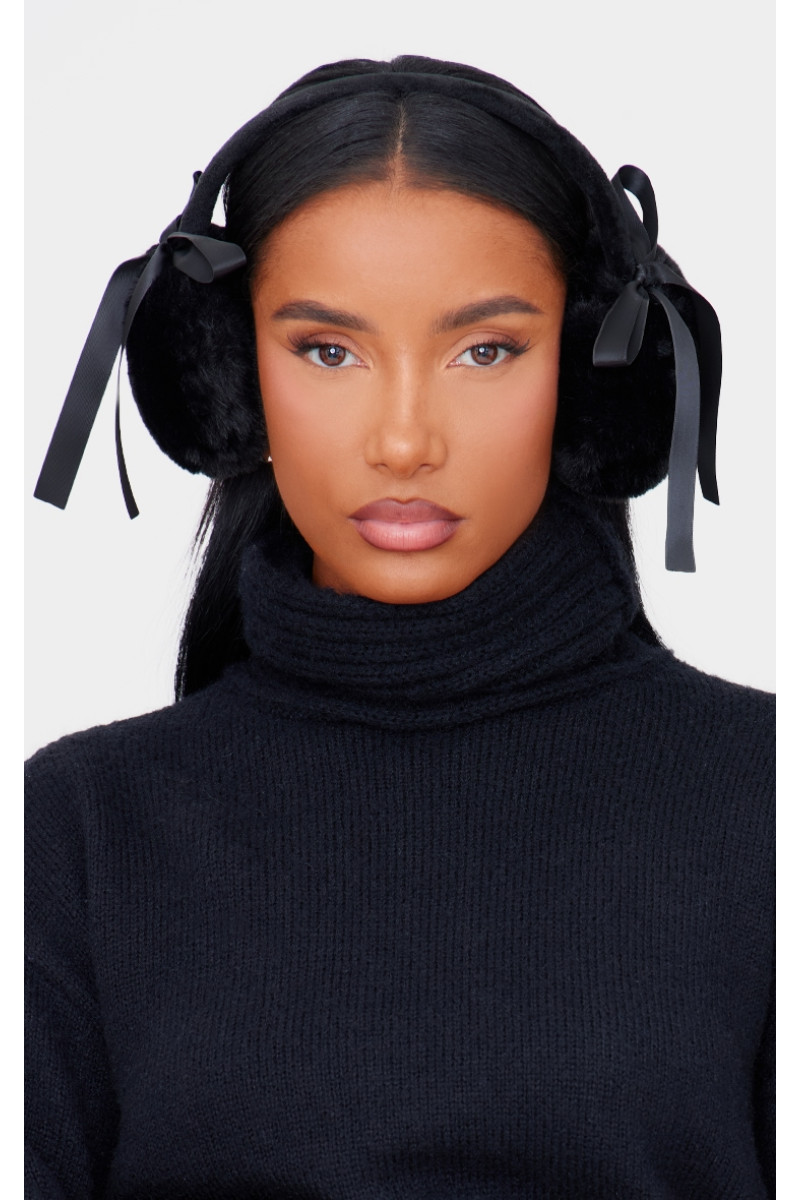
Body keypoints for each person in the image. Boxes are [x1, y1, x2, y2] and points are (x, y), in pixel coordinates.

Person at [25, 54, 775, 1199]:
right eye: (327, 351)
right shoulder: (77, 836)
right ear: (225, 375)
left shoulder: (766, 802)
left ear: (594, 375)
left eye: (484, 349)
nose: (403, 440)